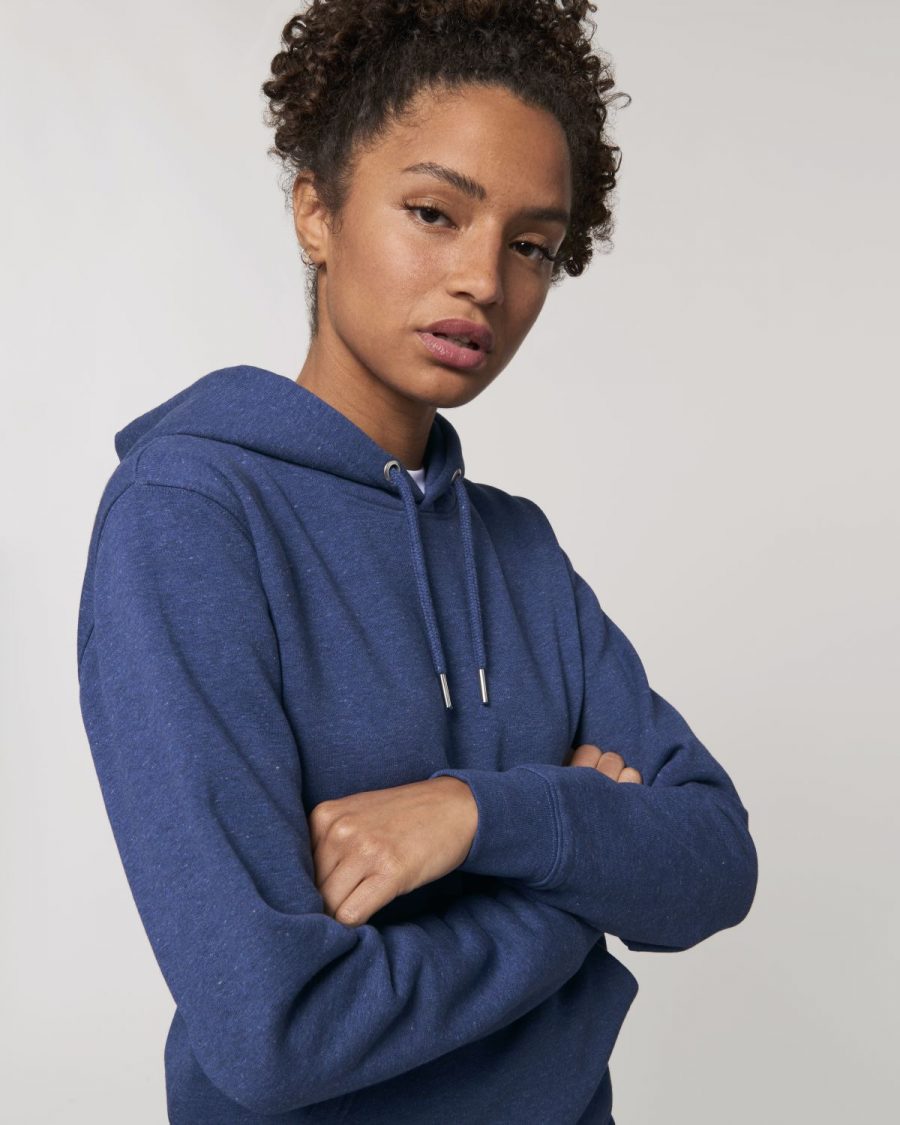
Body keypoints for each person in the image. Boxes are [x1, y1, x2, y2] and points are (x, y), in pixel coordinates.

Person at [76, 2, 758, 1122]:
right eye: (436, 213)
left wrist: (474, 816)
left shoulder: (518, 549)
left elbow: (716, 860)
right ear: (317, 211)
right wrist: (573, 893)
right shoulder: (190, 520)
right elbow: (274, 1028)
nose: (484, 280)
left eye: (531, 246)